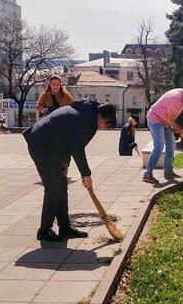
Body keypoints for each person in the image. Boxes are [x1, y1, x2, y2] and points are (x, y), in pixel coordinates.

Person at [23, 100, 117, 242]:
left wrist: (65, 163)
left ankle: (64, 227)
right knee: (53, 189)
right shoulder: (86, 120)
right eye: (106, 125)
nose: (103, 128)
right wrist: (86, 174)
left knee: (61, 186)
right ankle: (44, 231)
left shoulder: (86, 114)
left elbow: (68, 139)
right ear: (102, 118)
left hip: (52, 145)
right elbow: (77, 149)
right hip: (43, 146)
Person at [142, 85, 183, 184]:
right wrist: (181, 132)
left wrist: (175, 128)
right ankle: (147, 174)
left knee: (171, 145)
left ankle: (168, 172)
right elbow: (170, 119)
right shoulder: (176, 98)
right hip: (155, 119)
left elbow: (171, 118)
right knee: (159, 146)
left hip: (165, 121)